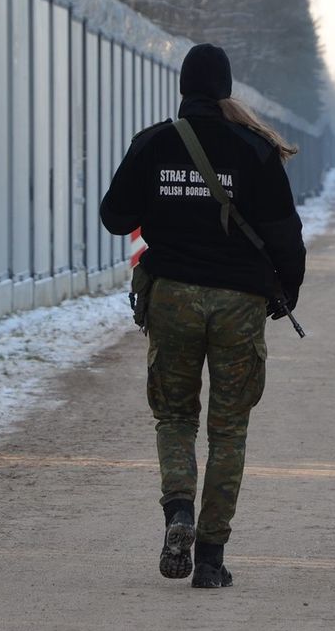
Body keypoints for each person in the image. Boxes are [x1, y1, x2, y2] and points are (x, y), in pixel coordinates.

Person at [100, 43, 306, 589]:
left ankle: (178, 515)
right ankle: (211, 559)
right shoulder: (254, 148)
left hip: (172, 298)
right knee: (229, 429)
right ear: (226, 90)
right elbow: (287, 234)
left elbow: (113, 216)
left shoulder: (153, 144)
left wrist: (163, 204)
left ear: (184, 87)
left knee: (174, 418)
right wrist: (288, 292)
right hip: (239, 303)